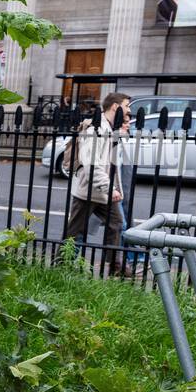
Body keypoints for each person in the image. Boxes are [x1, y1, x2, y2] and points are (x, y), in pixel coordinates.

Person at [63, 92, 137, 277]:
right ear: (115, 106)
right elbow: (91, 165)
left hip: (104, 192)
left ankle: (116, 267)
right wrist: (109, 188)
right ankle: (63, 265)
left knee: (117, 224)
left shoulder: (111, 129)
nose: (129, 110)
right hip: (88, 191)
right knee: (76, 233)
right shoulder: (95, 129)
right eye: (127, 106)